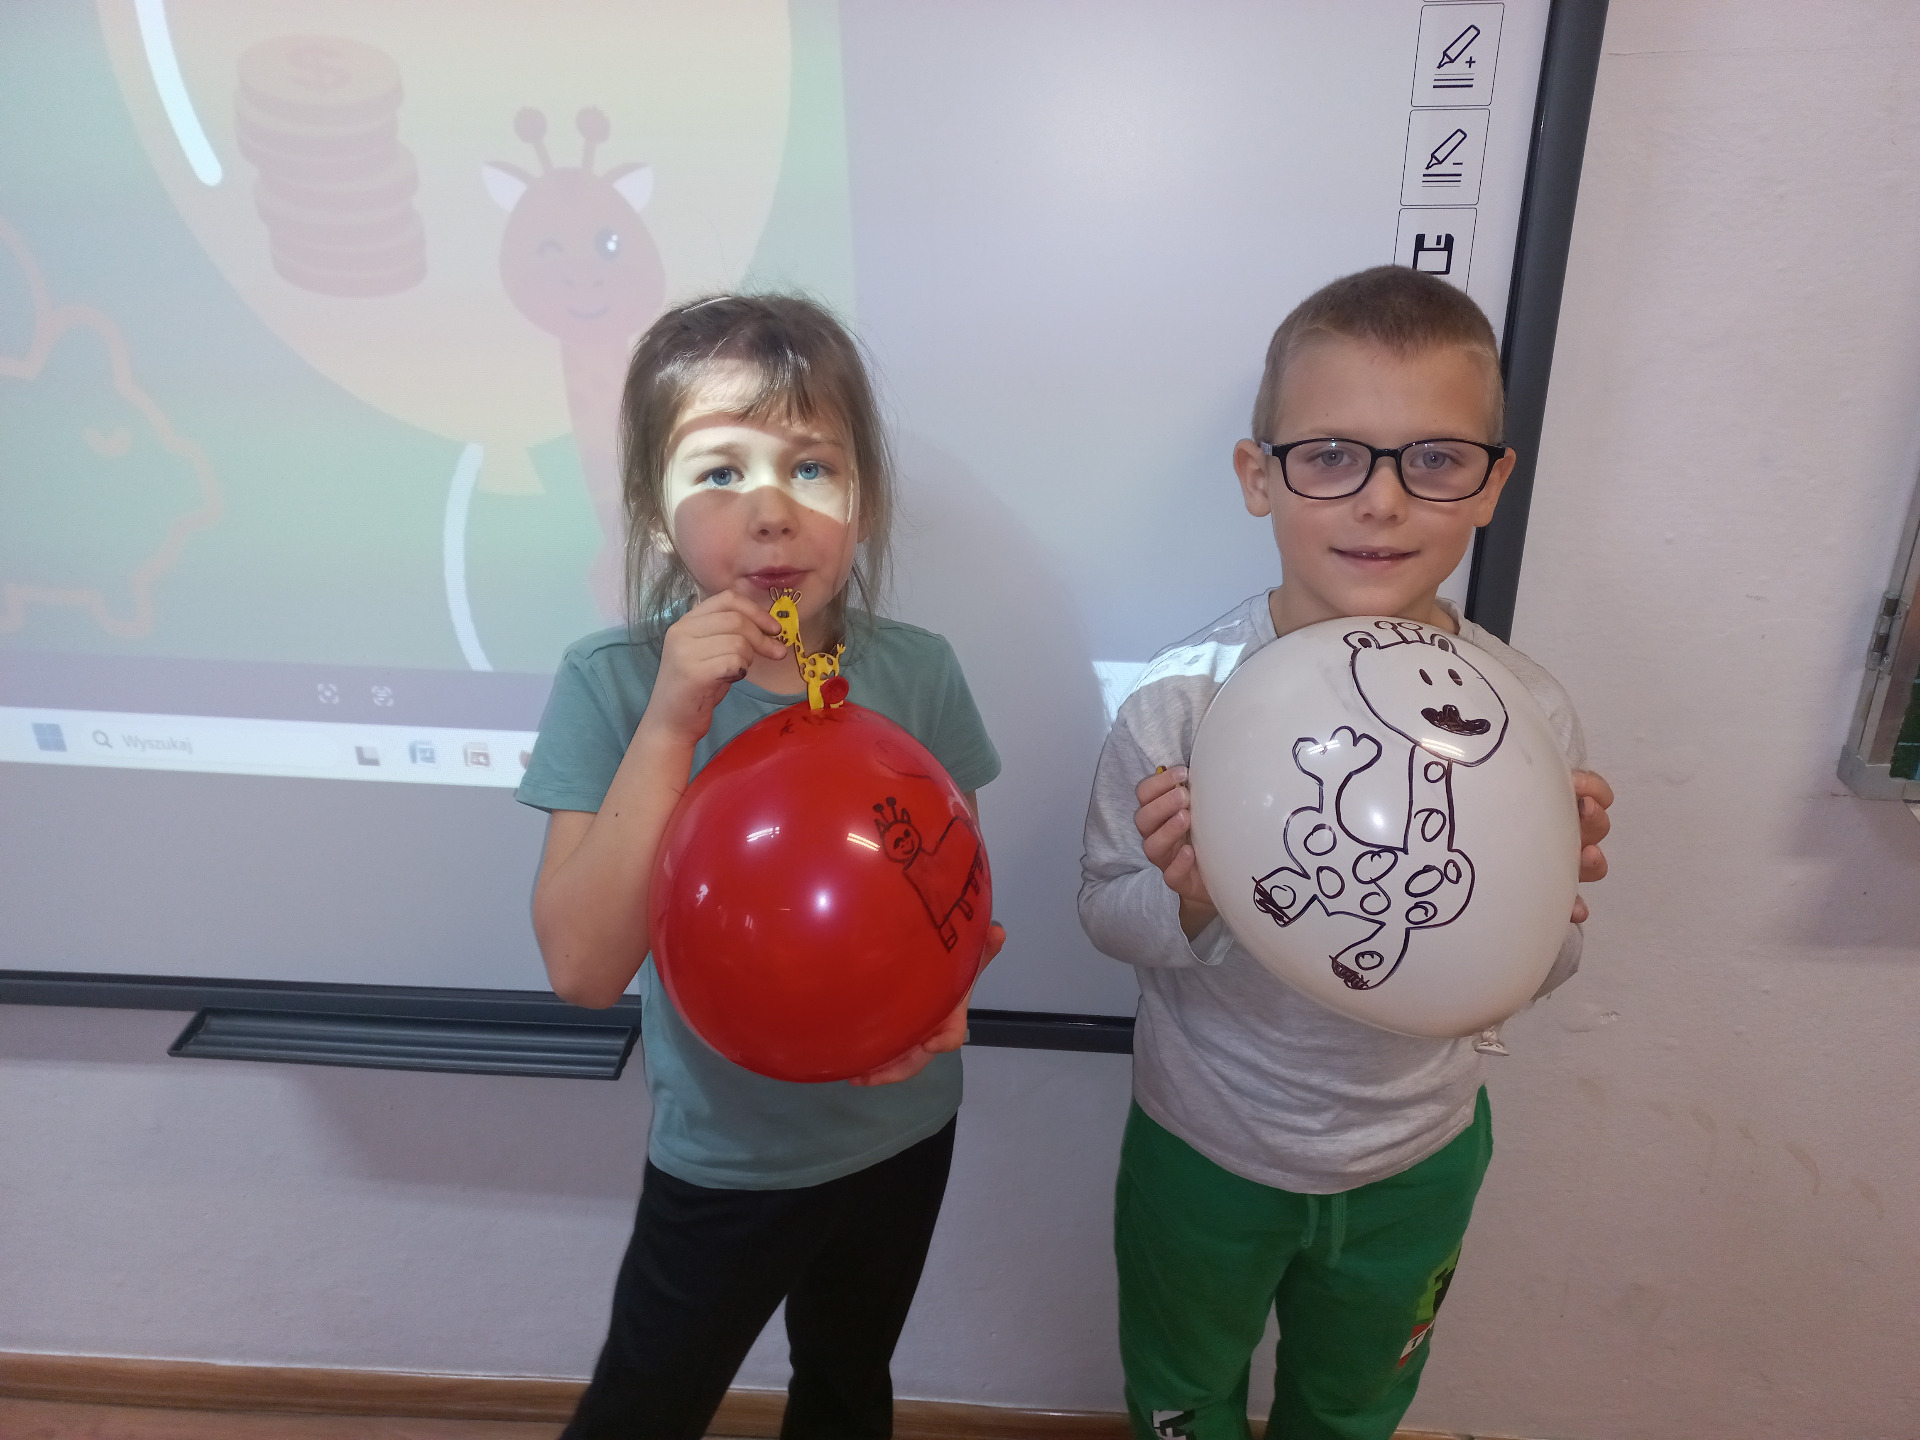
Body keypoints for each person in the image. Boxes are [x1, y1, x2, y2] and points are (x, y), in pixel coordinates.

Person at [1078, 266, 1613, 1440]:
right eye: (1330, 455)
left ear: (1493, 484)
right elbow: (1106, 913)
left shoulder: (1523, 716)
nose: (1382, 502)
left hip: (1415, 1157)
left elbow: (1534, 970)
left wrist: (1550, 907)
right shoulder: (1179, 702)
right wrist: (1191, 899)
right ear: (1258, 476)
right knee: (1182, 1397)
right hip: (1206, 1145)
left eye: (1435, 459)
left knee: (1354, 1408)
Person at [518, 294, 1002, 1440]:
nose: (773, 511)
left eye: (813, 467)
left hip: (900, 1133)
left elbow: (954, 897)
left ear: (862, 501)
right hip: (728, 1156)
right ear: (655, 511)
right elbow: (583, 970)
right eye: (722, 472)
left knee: (847, 1390)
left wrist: (948, 1002)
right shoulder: (611, 683)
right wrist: (673, 720)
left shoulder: (919, 673)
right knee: (644, 1409)